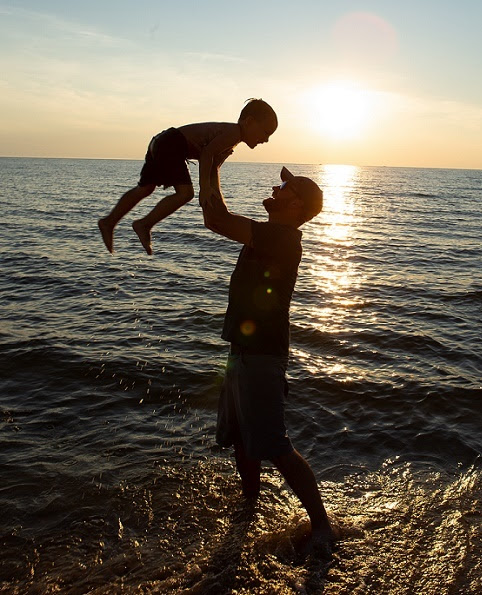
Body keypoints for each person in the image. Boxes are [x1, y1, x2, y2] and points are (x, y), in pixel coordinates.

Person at [201, 162, 339, 547]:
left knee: (276, 446)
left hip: (261, 357)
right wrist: (209, 167)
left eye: (285, 189)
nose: (276, 190)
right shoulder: (266, 236)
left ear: (297, 208)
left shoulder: (280, 238)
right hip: (241, 353)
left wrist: (209, 164)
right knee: (243, 439)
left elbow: (214, 220)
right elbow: (218, 215)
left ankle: (322, 527)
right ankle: (249, 508)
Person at [98, 98, 277, 255]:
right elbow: (206, 155)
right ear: (249, 122)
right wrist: (205, 189)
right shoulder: (233, 133)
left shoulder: (231, 141)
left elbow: (213, 166)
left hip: (161, 141)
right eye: (266, 132)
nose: (266, 140)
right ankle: (144, 224)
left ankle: (109, 221)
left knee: (145, 188)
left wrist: (216, 196)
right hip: (172, 144)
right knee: (185, 194)